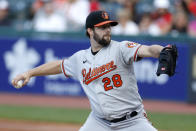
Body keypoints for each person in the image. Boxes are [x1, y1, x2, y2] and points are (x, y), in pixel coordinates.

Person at [12, 10, 166, 131]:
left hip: (132, 121)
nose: (108, 30)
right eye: (102, 27)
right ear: (90, 31)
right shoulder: (80, 58)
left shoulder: (121, 48)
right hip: (99, 122)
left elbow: (148, 50)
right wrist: (29, 73)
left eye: (109, 26)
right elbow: (59, 65)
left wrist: (162, 51)